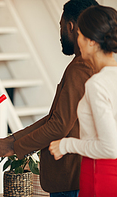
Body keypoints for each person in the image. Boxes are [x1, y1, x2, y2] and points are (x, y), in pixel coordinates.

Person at [0, 0, 99, 196]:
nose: (60, 33)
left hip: (74, 180)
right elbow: (56, 118)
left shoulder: (80, 67)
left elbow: (59, 125)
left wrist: (11, 147)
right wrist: (11, 140)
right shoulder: (95, 64)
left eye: (61, 26)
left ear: (70, 26)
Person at [49, 5, 117, 196]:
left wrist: (65, 145)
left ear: (91, 42)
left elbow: (109, 147)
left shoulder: (97, 84)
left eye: (79, 34)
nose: (77, 40)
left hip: (100, 175)